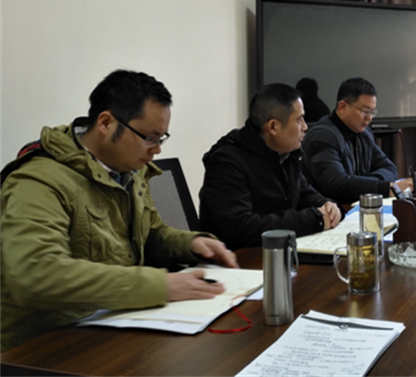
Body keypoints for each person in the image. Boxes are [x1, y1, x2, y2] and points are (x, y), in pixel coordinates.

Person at [0, 70, 238, 353]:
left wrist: (191, 244)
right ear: (106, 123)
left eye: (161, 138)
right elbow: (35, 273)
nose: (157, 150)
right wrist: (159, 286)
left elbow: (150, 233)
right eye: (149, 138)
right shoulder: (39, 180)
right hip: (41, 346)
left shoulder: (130, 172)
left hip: (110, 324)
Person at [199, 83, 340, 249]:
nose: (305, 127)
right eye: (299, 120)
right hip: (239, 258)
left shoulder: (287, 154)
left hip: (278, 252)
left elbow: (304, 193)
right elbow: (241, 228)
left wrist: (327, 206)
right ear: (273, 127)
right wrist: (313, 219)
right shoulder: (227, 162)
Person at [301, 77, 412, 204]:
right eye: (365, 111)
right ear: (342, 107)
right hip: (332, 211)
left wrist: (361, 183)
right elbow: (336, 184)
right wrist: (382, 188)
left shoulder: (364, 134)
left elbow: (390, 168)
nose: (369, 118)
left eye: (372, 112)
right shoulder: (321, 137)